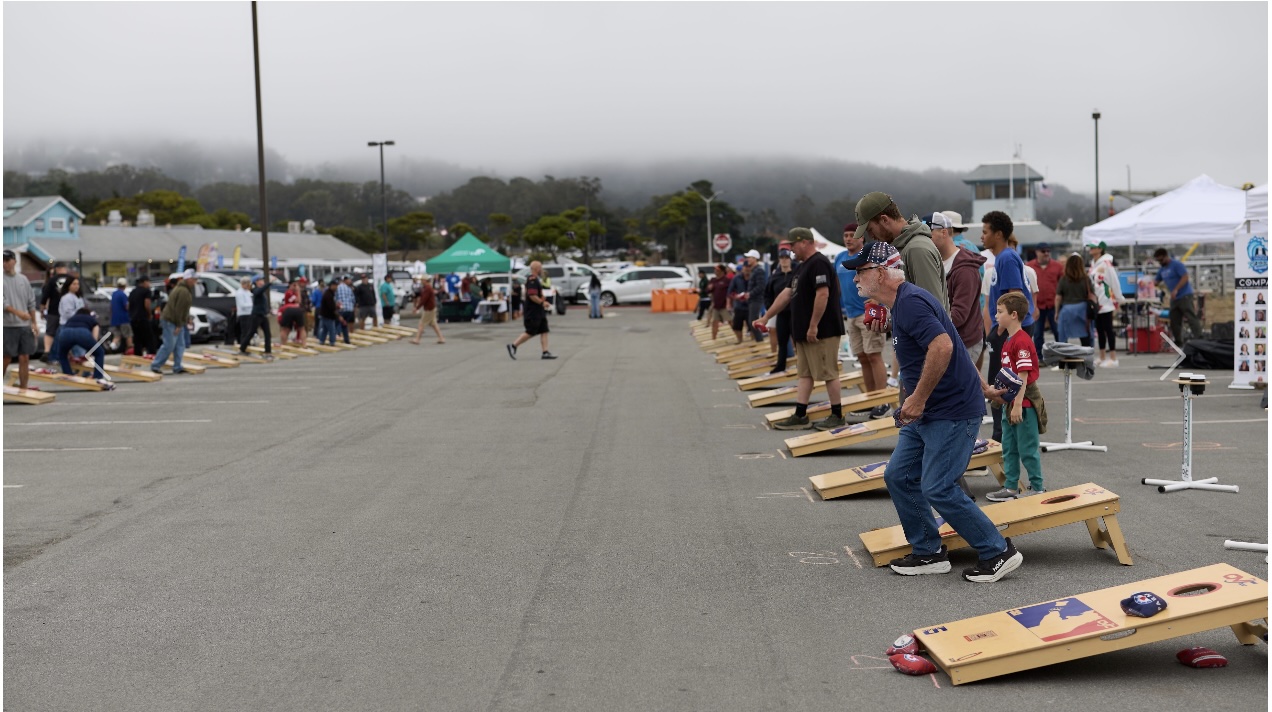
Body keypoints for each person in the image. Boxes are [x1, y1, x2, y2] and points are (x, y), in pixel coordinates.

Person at [852, 241, 1023, 583]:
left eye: (861, 272)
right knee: (898, 476)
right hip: (929, 410)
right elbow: (955, 344)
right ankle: (929, 551)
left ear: (882, 272)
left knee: (938, 486)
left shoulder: (911, 302)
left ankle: (998, 551)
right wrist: (982, 387)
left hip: (950, 411)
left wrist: (917, 399)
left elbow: (943, 347)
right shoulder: (902, 304)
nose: (856, 279)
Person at [754, 227, 847, 431]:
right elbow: (786, 295)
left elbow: (823, 295)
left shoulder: (819, 263)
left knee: (828, 372)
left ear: (804, 242)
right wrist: (766, 316)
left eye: (793, 245)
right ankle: (800, 414)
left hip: (822, 331)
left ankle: (837, 414)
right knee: (804, 374)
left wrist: (813, 325)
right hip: (804, 332)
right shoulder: (802, 266)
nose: (792, 250)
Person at [986, 292, 1047, 501]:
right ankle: (1011, 487)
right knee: (1009, 447)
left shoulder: (1021, 341)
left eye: (1000, 311)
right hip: (1010, 403)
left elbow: (1023, 374)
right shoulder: (1008, 340)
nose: (995, 315)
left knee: (1027, 447)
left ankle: (1037, 487)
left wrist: (1019, 404)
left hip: (1024, 404)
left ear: (1013, 315)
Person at [981, 211, 1034, 445]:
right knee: (997, 380)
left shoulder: (1006, 258)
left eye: (985, 232)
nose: (981, 237)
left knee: (1001, 381)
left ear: (998, 234)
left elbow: (1017, 296)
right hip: (1002, 328)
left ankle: (1001, 438)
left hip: (1009, 331)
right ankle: (1002, 435)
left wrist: (1002, 330)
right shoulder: (1001, 259)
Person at [853, 191, 948, 311]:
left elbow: (932, 311)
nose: (871, 236)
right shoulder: (902, 248)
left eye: (870, 229)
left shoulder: (917, 249)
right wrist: (891, 322)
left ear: (884, 220)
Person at [836, 223, 889, 418]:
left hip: (867, 310)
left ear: (861, 238)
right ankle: (870, 399)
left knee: (874, 355)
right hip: (850, 314)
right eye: (846, 235)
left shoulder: (869, 256)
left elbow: (883, 278)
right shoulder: (840, 258)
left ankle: (882, 401)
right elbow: (837, 285)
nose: (849, 238)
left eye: (852, 235)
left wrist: (878, 299)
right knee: (862, 357)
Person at [929, 212, 987, 368]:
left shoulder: (964, 268)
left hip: (963, 342)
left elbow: (959, 314)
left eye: (928, 233)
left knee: (960, 390)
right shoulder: (936, 262)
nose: (925, 239)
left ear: (944, 232)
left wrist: (927, 327)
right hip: (948, 339)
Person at [3, 249, 41, 390]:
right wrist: (19, 313)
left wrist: (34, 323)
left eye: (7, 260)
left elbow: (31, 302)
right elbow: (3, 303)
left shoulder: (23, 279)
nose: (5, 263)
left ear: (14, 261)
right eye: (3, 261)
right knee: (6, 357)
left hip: (24, 325)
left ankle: (24, 387)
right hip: (8, 325)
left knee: (24, 357)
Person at [506, 261, 556, 360]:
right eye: (540, 268)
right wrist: (542, 303)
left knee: (544, 330)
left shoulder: (536, 279)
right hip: (533, 311)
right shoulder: (532, 279)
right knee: (531, 331)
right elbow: (532, 295)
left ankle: (545, 352)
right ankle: (513, 346)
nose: (541, 270)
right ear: (537, 269)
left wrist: (543, 303)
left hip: (539, 311)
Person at [1154, 248, 1203, 347]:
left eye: (1161, 260)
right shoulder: (1162, 269)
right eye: (1158, 261)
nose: (1160, 262)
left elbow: (1185, 277)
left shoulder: (1176, 265)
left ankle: (1199, 338)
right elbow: (1157, 281)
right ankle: (1178, 340)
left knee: (1190, 317)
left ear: (1166, 256)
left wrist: (1176, 289)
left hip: (1184, 295)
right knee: (1174, 319)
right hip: (1174, 298)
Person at [151, 271, 194, 374]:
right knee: (169, 345)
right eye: (194, 280)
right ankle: (155, 365)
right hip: (171, 320)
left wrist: (187, 318)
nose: (195, 282)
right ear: (188, 279)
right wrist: (179, 324)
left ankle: (177, 366)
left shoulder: (184, 290)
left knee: (180, 344)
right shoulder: (183, 291)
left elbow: (184, 308)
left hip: (176, 320)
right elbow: (178, 309)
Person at [1087, 241, 1121, 367]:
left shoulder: (1107, 263)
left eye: (1093, 247)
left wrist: (1119, 297)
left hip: (1106, 301)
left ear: (1100, 249)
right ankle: (1102, 356)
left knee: (1108, 329)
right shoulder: (1092, 264)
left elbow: (1114, 281)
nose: (1091, 249)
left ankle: (1113, 357)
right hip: (1096, 302)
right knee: (1099, 330)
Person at [1027, 242, 1064, 353]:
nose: (1046, 253)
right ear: (1037, 252)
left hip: (1053, 305)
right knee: (1038, 333)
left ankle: (1061, 354)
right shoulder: (1029, 266)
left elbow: (1062, 284)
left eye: (1048, 251)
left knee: (1058, 331)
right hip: (1037, 305)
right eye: (1043, 251)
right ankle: (1040, 356)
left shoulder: (1058, 266)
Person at [764, 249, 797, 373]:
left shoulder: (795, 274)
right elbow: (767, 294)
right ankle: (780, 365)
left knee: (798, 341)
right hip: (781, 314)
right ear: (779, 260)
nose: (784, 260)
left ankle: (803, 365)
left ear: (790, 259)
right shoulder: (774, 277)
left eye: (786, 258)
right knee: (782, 340)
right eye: (782, 258)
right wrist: (770, 308)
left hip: (795, 313)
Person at [56, 307, 107, 379]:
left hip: (65, 333)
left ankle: (68, 374)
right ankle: (97, 377)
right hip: (82, 333)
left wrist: (69, 353)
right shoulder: (90, 318)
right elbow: (95, 330)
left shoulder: (72, 318)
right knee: (99, 353)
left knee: (62, 355)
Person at [1055, 254, 1093, 346]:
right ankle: (1086, 357)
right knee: (1085, 337)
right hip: (1083, 310)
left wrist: (1056, 312)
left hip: (1067, 310)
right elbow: (1091, 294)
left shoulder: (1063, 279)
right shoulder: (1086, 279)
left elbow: (1058, 297)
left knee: (1063, 337)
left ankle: (1064, 357)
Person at [39, 262, 70, 360]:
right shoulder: (71, 280)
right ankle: (67, 353)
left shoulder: (51, 280)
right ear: (65, 268)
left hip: (53, 310)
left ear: (57, 269)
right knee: (66, 333)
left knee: (50, 332)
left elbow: (45, 296)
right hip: (67, 312)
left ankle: (47, 351)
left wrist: (42, 308)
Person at [410, 274, 445, 345]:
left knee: (421, 324)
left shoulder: (427, 288)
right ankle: (441, 338)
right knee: (434, 324)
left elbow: (423, 300)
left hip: (429, 309)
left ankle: (417, 339)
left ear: (425, 280)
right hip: (431, 308)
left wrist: (416, 308)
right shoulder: (428, 287)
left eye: (422, 280)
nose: (421, 281)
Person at [245, 275, 274, 355]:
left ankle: (268, 351)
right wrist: (269, 283)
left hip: (263, 315)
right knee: (251, 332)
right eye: (260, 280)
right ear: (256, 282)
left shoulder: (261, 291)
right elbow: (259, 291)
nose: (262, 281)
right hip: (256, 315)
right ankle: (242, 348)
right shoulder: (256, 290)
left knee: (267, 334)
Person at [744, 250, 768, 343]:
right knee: (752, 321)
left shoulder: (759, 270)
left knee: (753, 322)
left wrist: (750, 293)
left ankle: (760, 340)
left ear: (755, 258)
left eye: (749, 257)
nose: (747, 259)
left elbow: (761, 286)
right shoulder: (754, 270)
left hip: (756, 299)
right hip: (753, 299)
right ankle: (757, 340)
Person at [128, 275, 155, 356]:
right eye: (148, 282)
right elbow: (147, 304)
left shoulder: (133, 292)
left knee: (137, 339)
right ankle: (151, 354)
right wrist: (149, 314)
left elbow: (128, 305)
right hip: (143, 318)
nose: (149, 284)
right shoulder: (146, 291)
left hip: (133, 319)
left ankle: (138, 356)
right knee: (150, 338)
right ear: (144, 282)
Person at [706, 264, 731, 341]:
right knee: (714, 322)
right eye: (715, 270)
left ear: (722, 271)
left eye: (717, 270)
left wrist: (729, 303)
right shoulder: (713, 280)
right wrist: (709, 288)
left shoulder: (726, 280)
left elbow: (730, 291)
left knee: (730, 321)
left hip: (724, 305)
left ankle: (739, 338)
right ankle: (714, 338)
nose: (715, 272)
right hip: (716, 305)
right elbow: (707, 291)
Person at [729, 263, 751, 344]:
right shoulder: (736, 278)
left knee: (752, 326)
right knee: (737, 326)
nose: (747, 269)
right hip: (739, 305)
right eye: (745, 267)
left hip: (751, 305)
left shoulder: (754, 277)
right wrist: (736, 296)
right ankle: (740, 340)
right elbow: (730, 291)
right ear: (742, 268)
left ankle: (753, 341)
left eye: (749, 267)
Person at [278, 279, 306, 346]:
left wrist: (298, 291)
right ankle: (283, 343)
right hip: (288, 310)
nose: (295, 286)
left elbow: (299, 301)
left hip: (296, 310)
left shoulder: (295, 292)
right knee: (285, 329)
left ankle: (303, 343)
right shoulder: (289, 292)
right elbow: (297, 301)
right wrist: (298, 291)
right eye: (294, 284)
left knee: (301, 328)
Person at [108, 277, 131, 354]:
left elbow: (111, 307)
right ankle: (130, 350)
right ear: (125, 285)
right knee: (128, 335)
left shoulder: (114, 294)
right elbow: (126, 306)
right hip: (123, 319)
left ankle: (112, 346)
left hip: (115, 319)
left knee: (117, 336)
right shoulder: (123, 294)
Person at [318, 279, 343, 346]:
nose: (336, 287)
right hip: (328, 315)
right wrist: (338, 316)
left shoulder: (330, 293)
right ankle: (332, 342)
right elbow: (331, 307)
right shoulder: (328, 294)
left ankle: (321, 341)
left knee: (325, 329)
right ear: (332, 286)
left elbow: (332, 305)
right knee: (332, 330)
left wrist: (336, 305)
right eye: (335, 285)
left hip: (325, 314)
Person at [234, 278, 255, 353]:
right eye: (247, 284)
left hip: (249, 313)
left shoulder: (248, 292)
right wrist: (252, 305)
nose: (249, 286)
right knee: (245, 332)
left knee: (249, 331)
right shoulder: (239, 293)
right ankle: (243, 346)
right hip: (243, 314)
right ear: (243, 284)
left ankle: (247, 345)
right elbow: (242, 305)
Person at [310, 277, 328, 344]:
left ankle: (317, 335)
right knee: (325, 323)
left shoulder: (316, 291)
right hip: (326, 308)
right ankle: (325, 335)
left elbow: (313, 301)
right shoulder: (326, 290)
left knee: (317, 323)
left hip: (318, 308)